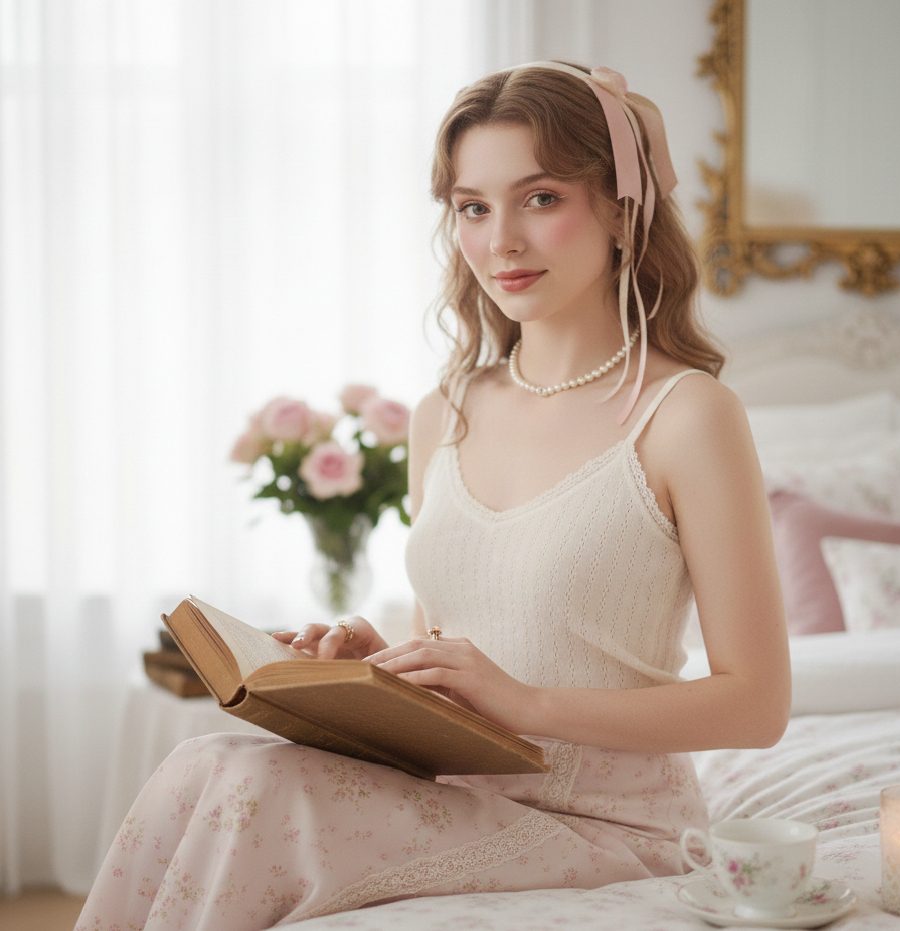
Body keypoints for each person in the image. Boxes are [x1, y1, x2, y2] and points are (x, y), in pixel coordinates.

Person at [76, 60, 790, 930]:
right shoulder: (445, 414)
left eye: (540, 198)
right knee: (203, 761)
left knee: (258, 790)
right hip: (463, 791)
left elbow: (757, 703)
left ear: (620, 206)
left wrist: (529, 706)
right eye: (473, 207)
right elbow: (458, 651)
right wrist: (380, 669)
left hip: (612, 826)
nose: (501, 243)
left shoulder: (688, 416)